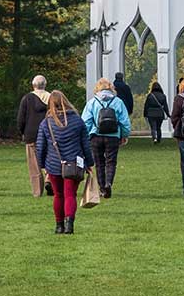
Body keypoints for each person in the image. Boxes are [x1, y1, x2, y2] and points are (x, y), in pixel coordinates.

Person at [35, 91, 94, 234]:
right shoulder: (77, 120)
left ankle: (59, 225)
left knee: (58, 195)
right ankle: (69, 225)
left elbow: (40, 146)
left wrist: (43, 165)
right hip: (74, 164)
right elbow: (85, 144)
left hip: (53, 164)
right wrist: (90, 163)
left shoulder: (46, 122)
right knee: (70, 195)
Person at [81, 77, 131, 198]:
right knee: (111, 162)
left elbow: (86, 121)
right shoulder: (118, 102)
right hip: (113, 136)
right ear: (111, 88)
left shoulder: (92, 102)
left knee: (99, 164)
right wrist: (124, 135)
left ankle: (102, 188)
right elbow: (125, 122)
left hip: (96, 136)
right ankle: (109, 183)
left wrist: (85, 136)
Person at [17, 74, 52, 197]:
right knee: (50, 158)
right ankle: (49, 179)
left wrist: (22, 132)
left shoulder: (27, 98)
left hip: (31, 134)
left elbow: (21, 118)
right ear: (45, 85)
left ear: (33, 85)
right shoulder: (51, 98)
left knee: (34, 164)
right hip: (49, 133)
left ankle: (37, 191)